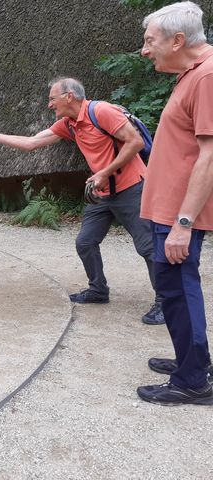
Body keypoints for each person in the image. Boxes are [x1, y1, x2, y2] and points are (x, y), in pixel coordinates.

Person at [0, 77, 164, 325]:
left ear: (69, 96)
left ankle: (166, 303)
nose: (50, 104)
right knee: (85, 242)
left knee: (147, 247)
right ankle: (98, 290)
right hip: (101, 193)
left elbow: (135, 142)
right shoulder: (69, 124)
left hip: (131, 188)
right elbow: (32, 143)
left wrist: (104, 172)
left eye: (52, 98)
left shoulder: (101, 112)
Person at [136, 1, 213, 405]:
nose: (145, 50)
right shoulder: (192, 74)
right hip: (169, 209)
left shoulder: (207, 77)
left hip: (179, 213)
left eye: (150, 41)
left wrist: (184, 222)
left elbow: (210, 156)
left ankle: (194, 382)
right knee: (176, 290)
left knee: (179, 291)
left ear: (178, 40)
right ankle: (192, 361)